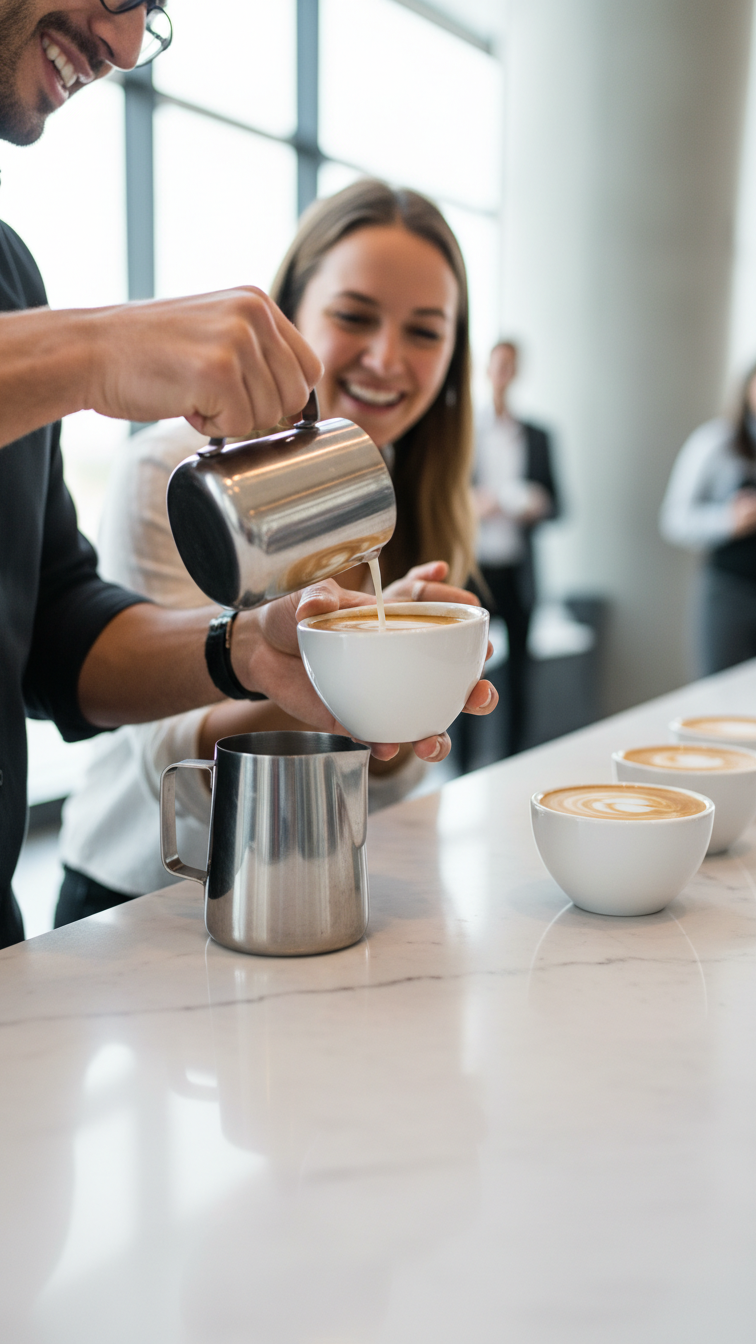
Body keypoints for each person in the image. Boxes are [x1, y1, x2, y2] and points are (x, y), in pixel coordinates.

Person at [0, 3, 497, 946]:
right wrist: (92, 353)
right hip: (141, 904)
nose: (127, 45)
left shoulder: (8, 272)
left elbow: (56, 634)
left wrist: (252, 651)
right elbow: (159, 767)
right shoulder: (164, 457)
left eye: (151, 12)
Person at [57, 179, 491, 919]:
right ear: (288, 319)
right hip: (153, 898)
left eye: (425, 331)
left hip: (334, 883)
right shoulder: (181, 476)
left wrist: (411, 689)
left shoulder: (419, 489)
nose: (387, 358)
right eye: (354, 316)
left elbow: (391, 773)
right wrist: (341, 674)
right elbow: (171, 763)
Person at [473, 340, 559, 754]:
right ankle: (463, 763)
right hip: (476, 568)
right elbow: (444, 496)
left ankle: (514, 757)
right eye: (497, 364)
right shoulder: (467, 434)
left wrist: (538, 504)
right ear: (486, 369)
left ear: (517, 372)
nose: (503, 373)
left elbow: (559, 504)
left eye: (510, 366)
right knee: (467, 670)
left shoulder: (538, 436)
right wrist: (472, 503)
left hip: (518, 570)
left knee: (521, 675)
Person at [660, 363, 756, 674]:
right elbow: (674, 519)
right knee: (716, 692)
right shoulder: (716, 442)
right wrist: (729, 520)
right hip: (729, 591)